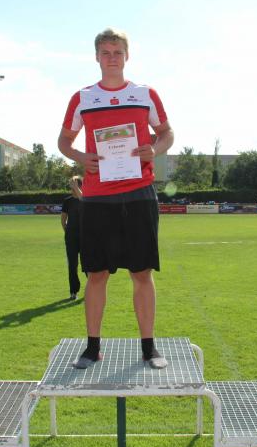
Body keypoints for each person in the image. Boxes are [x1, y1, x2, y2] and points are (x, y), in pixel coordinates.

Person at [58, 27, 174, 369]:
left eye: (117, 52)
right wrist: (81, 157)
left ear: (127, 56)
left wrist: (155, 149)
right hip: (97, 199)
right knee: (96, 275)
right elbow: (63, 141)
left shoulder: (145, 93)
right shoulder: (82, 97)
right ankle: (92, 347)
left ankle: (149, 348)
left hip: (139, 195)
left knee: (142, 273)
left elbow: (167, 133)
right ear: (97, 57)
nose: (112, 58)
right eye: (106, 52)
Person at [61, 176, 84, 300]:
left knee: (88, 264)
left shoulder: (86, 199)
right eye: (70, 185)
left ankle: (92, 290)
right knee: (72, 265)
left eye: (73, 185)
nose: (71, 187)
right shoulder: (67, 201)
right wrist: (68, 232)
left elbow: (85, 201)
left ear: (80, 186)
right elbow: (63, 220)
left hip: (85, 237)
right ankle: (73, 291)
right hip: (71, 237)